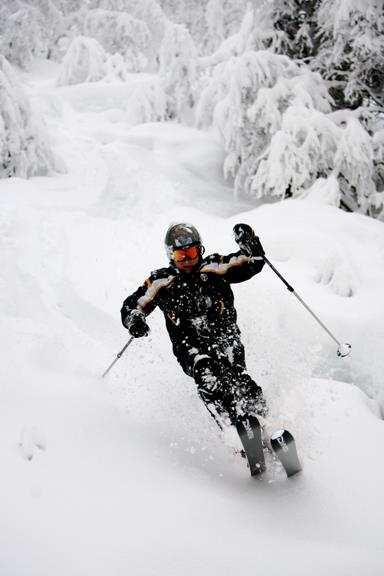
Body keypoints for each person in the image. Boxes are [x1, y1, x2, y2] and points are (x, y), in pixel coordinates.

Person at [120, 222, 267, 430]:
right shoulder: (162, 281)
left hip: (225, 337)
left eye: (192, 252)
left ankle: (267, 423)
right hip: (190, 346)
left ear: (200, 249)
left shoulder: (215, 267)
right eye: (181, 256)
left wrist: (250, 243)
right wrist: (135, 319)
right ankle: (232, 430)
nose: (188, 260)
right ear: (171, 256)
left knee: (238, 378)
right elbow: (134, 304)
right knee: (207, 375)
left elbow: (252, 262)